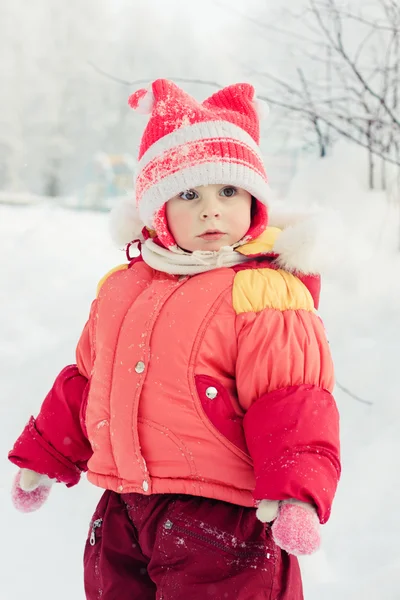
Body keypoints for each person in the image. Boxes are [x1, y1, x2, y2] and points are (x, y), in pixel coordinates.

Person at [8, 79, 341, 600]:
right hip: (123, 508)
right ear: (157, 211)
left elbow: (292, 399)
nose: (211, 209)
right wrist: (47, 455)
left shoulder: (263, 292)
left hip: (224, 518)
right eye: (190, 194)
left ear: (254, 202)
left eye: (228, 191)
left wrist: (297, 494)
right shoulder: (121, 288)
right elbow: (88, 381)